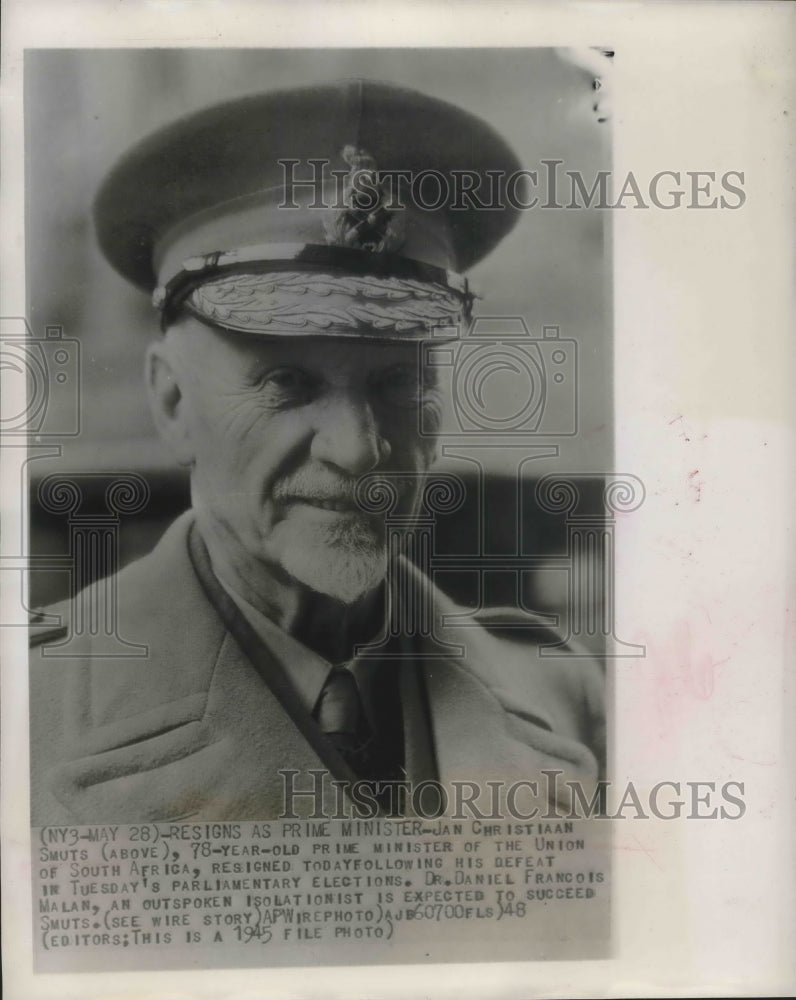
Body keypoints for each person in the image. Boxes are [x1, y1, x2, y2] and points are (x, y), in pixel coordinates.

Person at [29, 80, 604, 824]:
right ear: (173, 404)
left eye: (399, 382)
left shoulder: (558, 692)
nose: (361, 448)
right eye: (289, 383)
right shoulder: (31, 709)